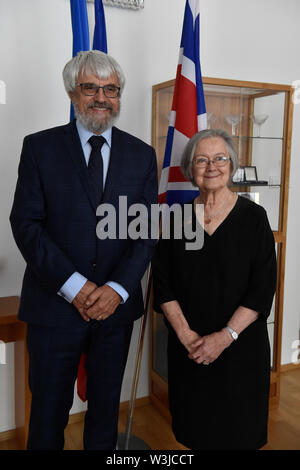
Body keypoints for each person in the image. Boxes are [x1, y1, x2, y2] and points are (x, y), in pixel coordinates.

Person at [10, 50, 158, 450]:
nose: (101, 97)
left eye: (111, 89)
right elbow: (26, 225)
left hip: (116, 309)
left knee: (105, 412)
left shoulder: (142, 155)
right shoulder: (40, 148)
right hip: (54, 306)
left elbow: (147, 233)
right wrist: (75, 286)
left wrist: (117, 290)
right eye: (90, 87)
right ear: (72, 93)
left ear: (119, 96)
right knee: (47, 415)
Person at [152, 128, 276, 450]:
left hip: (240, 351)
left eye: (220, 158)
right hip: (190, 351)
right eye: (202, 160)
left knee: (239, 434)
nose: (212, 166)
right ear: (190, 168)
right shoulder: (176, 219)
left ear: (232, 166)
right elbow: (163, 286)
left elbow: (262, 290)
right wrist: (187, 337)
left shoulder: (255, 218)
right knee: (196, 432)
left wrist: (224, 338)